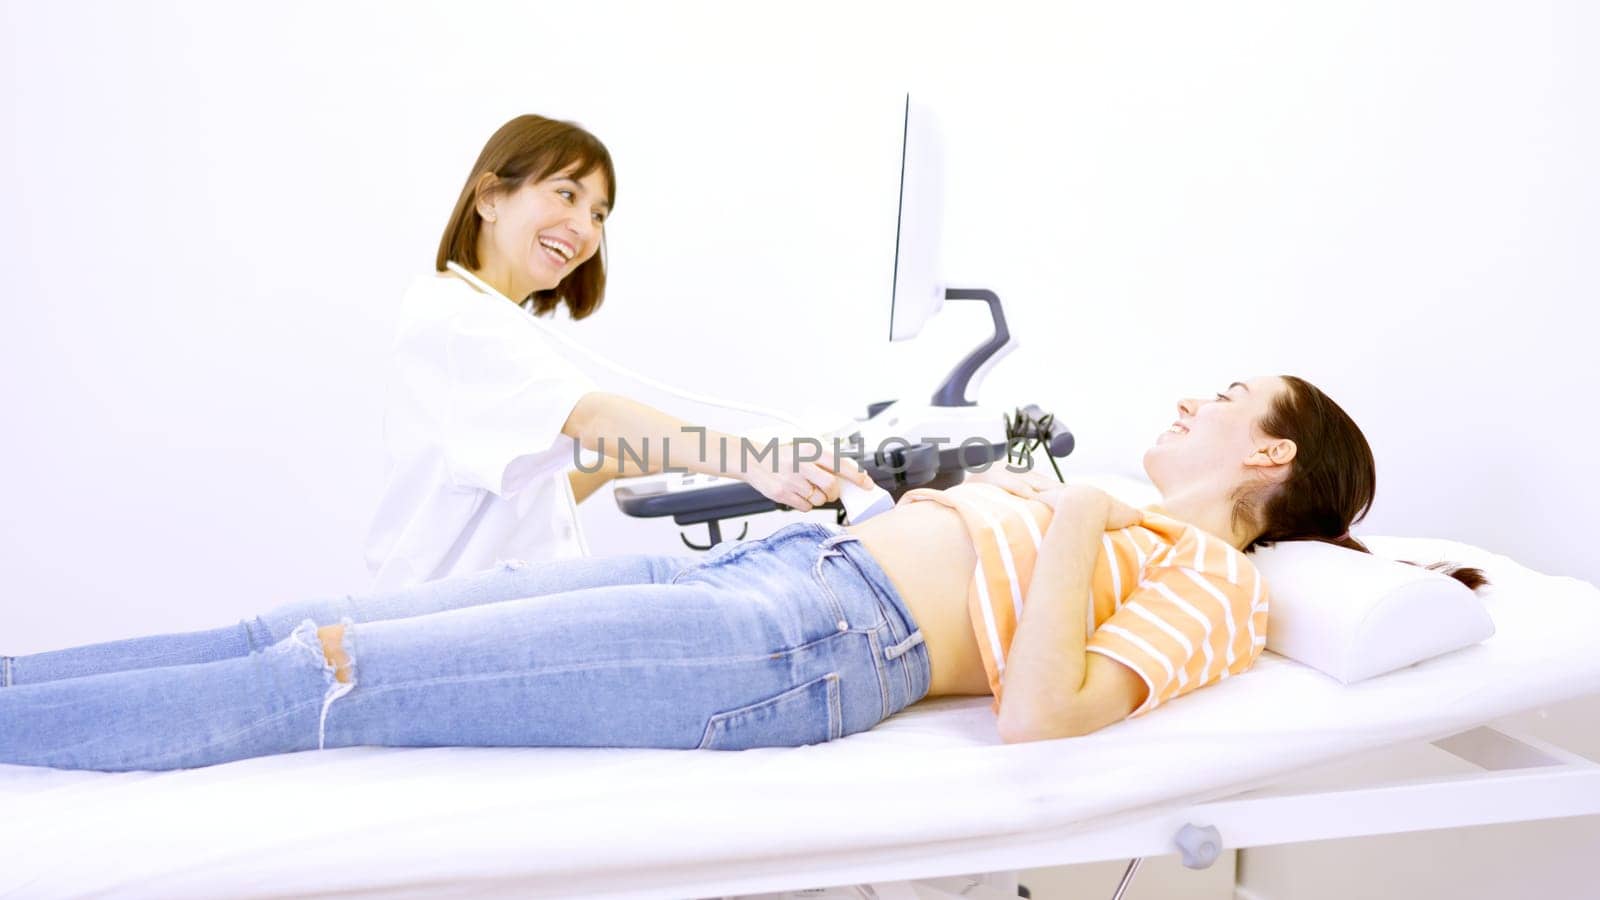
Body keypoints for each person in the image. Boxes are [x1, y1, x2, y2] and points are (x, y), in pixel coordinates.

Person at [0, 376, 1485, 772]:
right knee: (302, 624)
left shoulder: (1219, 584)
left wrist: (1083, 513)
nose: (1188, 402)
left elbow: (1047, 717)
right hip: (797, 575)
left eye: (1226, 397)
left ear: (1272, 460)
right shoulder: (1122, 512)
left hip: (806, 654)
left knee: (324, 684)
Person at [364, 113, 864, 589]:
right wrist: (750, 458)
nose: (584, 227)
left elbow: (532, 490)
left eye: (598, 214)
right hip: (448, 636)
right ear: (491, 197)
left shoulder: (474, 318)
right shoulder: (460, 322)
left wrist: (755, 446)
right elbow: (595, 419)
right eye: (566, 194)